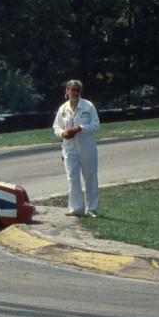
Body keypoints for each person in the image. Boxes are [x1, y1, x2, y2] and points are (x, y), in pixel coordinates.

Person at [52, 79, 100, 217]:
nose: (75, 92)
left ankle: (92, 208)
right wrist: (62, 133)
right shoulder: (63, 109)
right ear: (67, 91)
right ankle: (76, 208)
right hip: (69, 147)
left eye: (78, 90)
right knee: (72, 177)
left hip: (87, 147)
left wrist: (80, 128)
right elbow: (56, 127)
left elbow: (96, 125)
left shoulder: (88, 106)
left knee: (90, 177)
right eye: (72, 90)